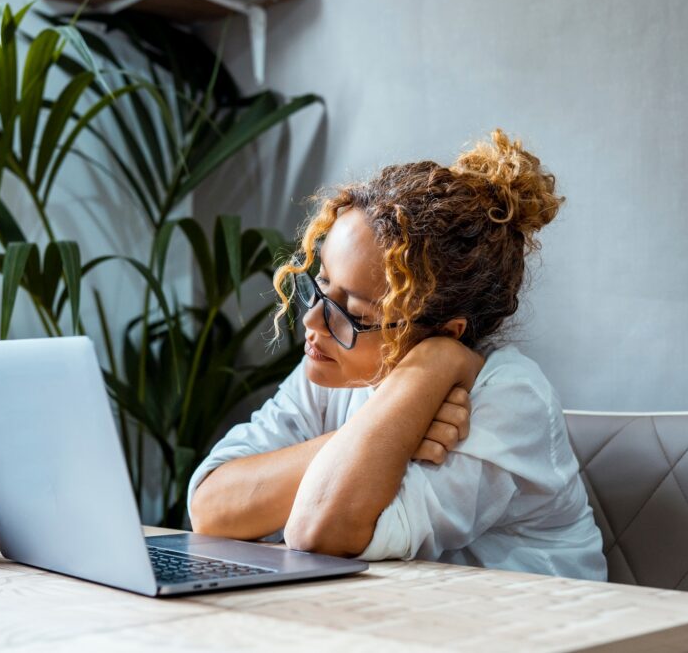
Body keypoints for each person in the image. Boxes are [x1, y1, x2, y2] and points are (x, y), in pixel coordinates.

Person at [186, 129, 607, 580]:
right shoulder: (337, 365)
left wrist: (437, 362)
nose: (312, 322)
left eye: (353, 312)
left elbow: (319, 531)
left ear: (446, 332)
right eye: (321, 286)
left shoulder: (507, 399)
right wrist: (380, 433)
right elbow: (211, 508)